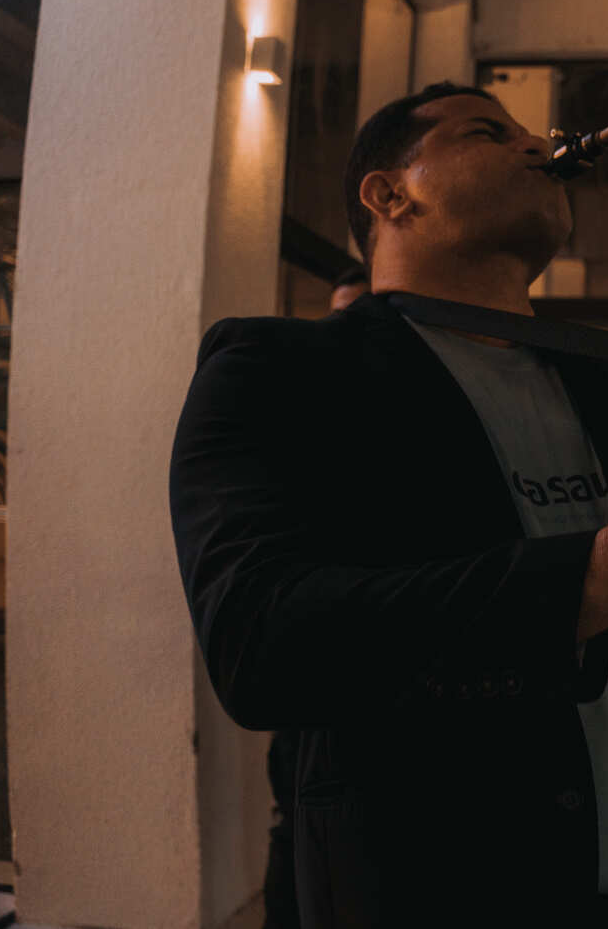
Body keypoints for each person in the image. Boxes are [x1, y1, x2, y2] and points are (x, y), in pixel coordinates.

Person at [170, 81, 608, 928]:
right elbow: (258, 645)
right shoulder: (275, 370)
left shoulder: (607, 387)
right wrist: (603, 572)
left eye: (529, 131)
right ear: (390, 195)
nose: (538, 144)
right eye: (488, 133)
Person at [261, 262, 370, 929]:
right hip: (314, 662)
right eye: (338, 316)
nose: (344, 331)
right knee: (295, 820)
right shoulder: (303, 402)